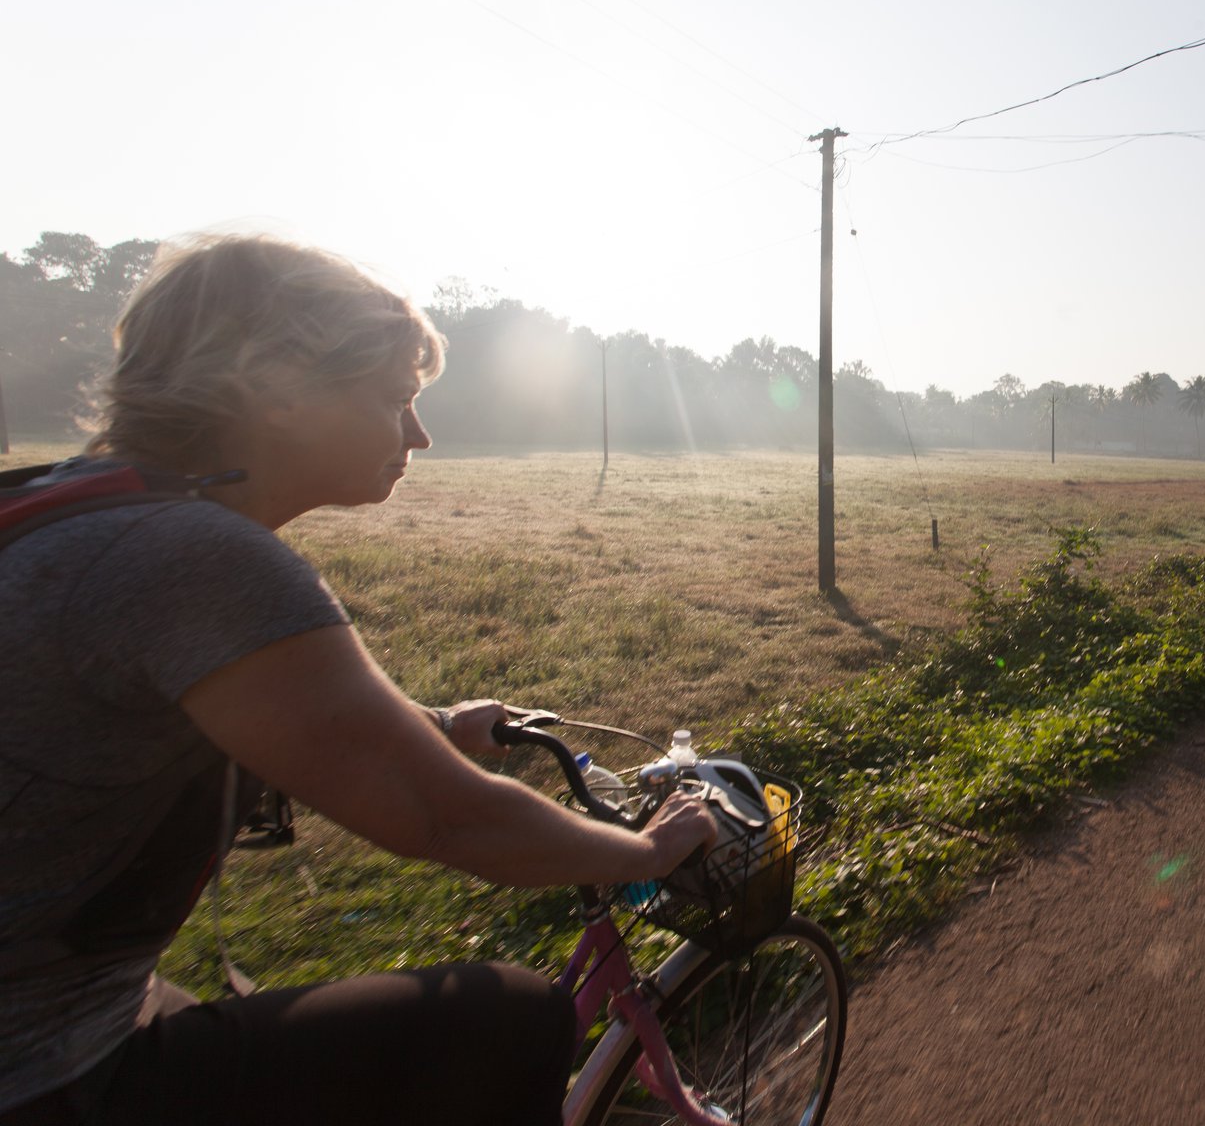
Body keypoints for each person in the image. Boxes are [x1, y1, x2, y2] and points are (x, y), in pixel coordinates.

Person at [0, 235, 718, 1126]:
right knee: (506, 1019)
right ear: (277, 387)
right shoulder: (197, 558)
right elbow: (445, 816)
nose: (419, 434)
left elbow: (253, 710)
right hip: (45, 1070)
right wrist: (650, 852)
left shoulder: (70, 505)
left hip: (74, 1008)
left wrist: (436, 722)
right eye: (394, 400)